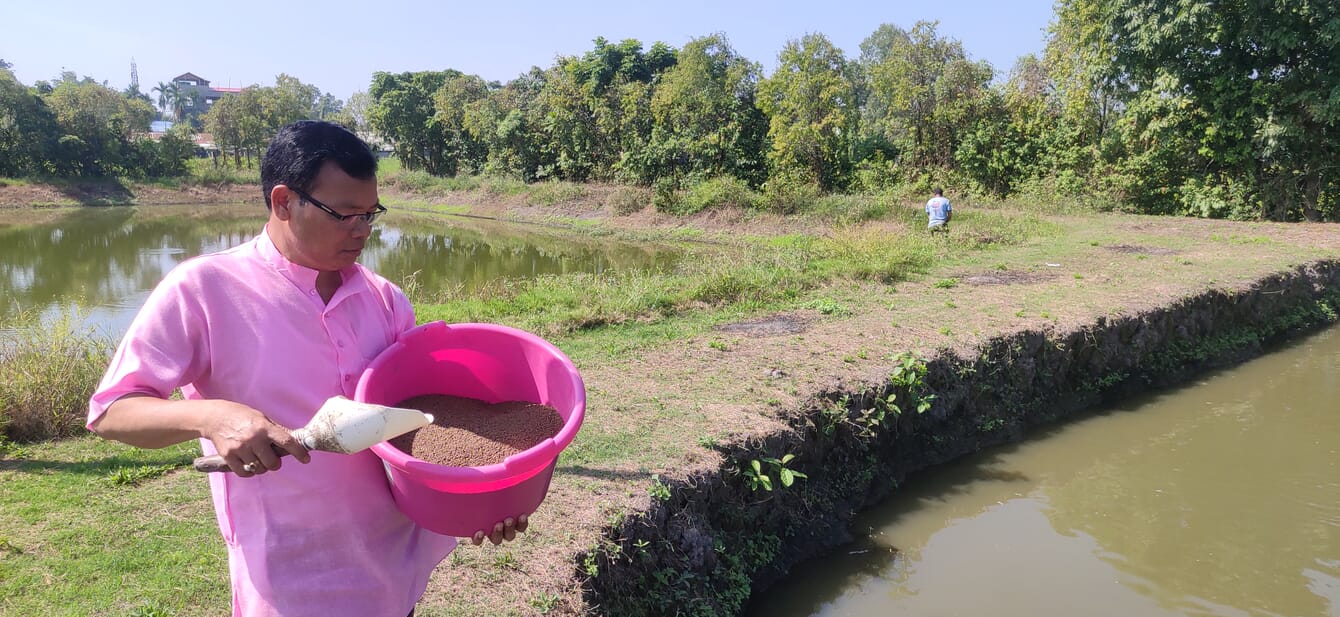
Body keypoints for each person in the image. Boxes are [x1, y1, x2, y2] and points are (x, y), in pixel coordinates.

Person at [87, 120, 522, 617]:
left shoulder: (384, 300)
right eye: (344, 214)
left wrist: (476, 503)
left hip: (391, 563)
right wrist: (210, 418)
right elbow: (113, 411)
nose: (361, 231)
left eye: (370, 213)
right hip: (288, 572)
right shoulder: (204, 289)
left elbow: (415, 427)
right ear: (282, 202)